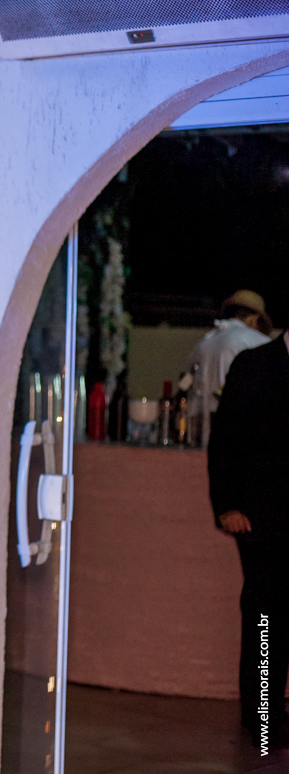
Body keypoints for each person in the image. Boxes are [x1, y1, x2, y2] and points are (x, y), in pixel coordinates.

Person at [208, 327, 289, 751]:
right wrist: (226, 506)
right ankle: (261, 716)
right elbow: (223, 442)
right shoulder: (254, 365)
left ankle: (272, 712)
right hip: (257, 517)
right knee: (264, 612)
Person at [186, 289, 272, 444]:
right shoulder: (259, 343)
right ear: (255, 319)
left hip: (202, 438)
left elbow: (187, 385)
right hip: (243, 440)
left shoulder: (203, 344)